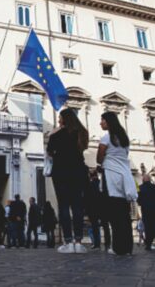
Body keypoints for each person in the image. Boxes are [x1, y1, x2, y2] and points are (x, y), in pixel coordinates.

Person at [47, 108, 89, 254]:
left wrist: (53, 134)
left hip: (61, 172)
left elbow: (50, 152)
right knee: (77, 206)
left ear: (64, 119)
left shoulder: (57, 134)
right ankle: (78, 242)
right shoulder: (81, 133)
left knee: (64, 206)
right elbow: (83, 148)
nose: (58, 120)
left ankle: (68, 241)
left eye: (60, 118)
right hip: (77, 172)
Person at [97, 111, 137, 255]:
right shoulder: (124, 140)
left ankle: (118, 247)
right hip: (124, 176)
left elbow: (99, 157)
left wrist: (103, 162)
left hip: (111, 176)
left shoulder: (106, 138)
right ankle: (127, 246)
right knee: (124, 213)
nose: (100, 123)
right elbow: (124, 156)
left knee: (113, 213)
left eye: (102, 120)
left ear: (108, 122)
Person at [85, 171, 112, 251]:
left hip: (93, 209)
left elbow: (87, 199)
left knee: (95, 227)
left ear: (90, 176)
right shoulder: (102, 184)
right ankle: (107, 244)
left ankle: (97, 244)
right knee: (105, 227)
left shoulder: (89, 186)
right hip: (103, 208)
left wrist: (86, 211)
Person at [137, 174, 155, 251]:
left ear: (143, 180)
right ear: (150, 179)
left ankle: (148, 244)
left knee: (148, 227)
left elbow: (138, 200)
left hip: (146, 210)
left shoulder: (140, 188)